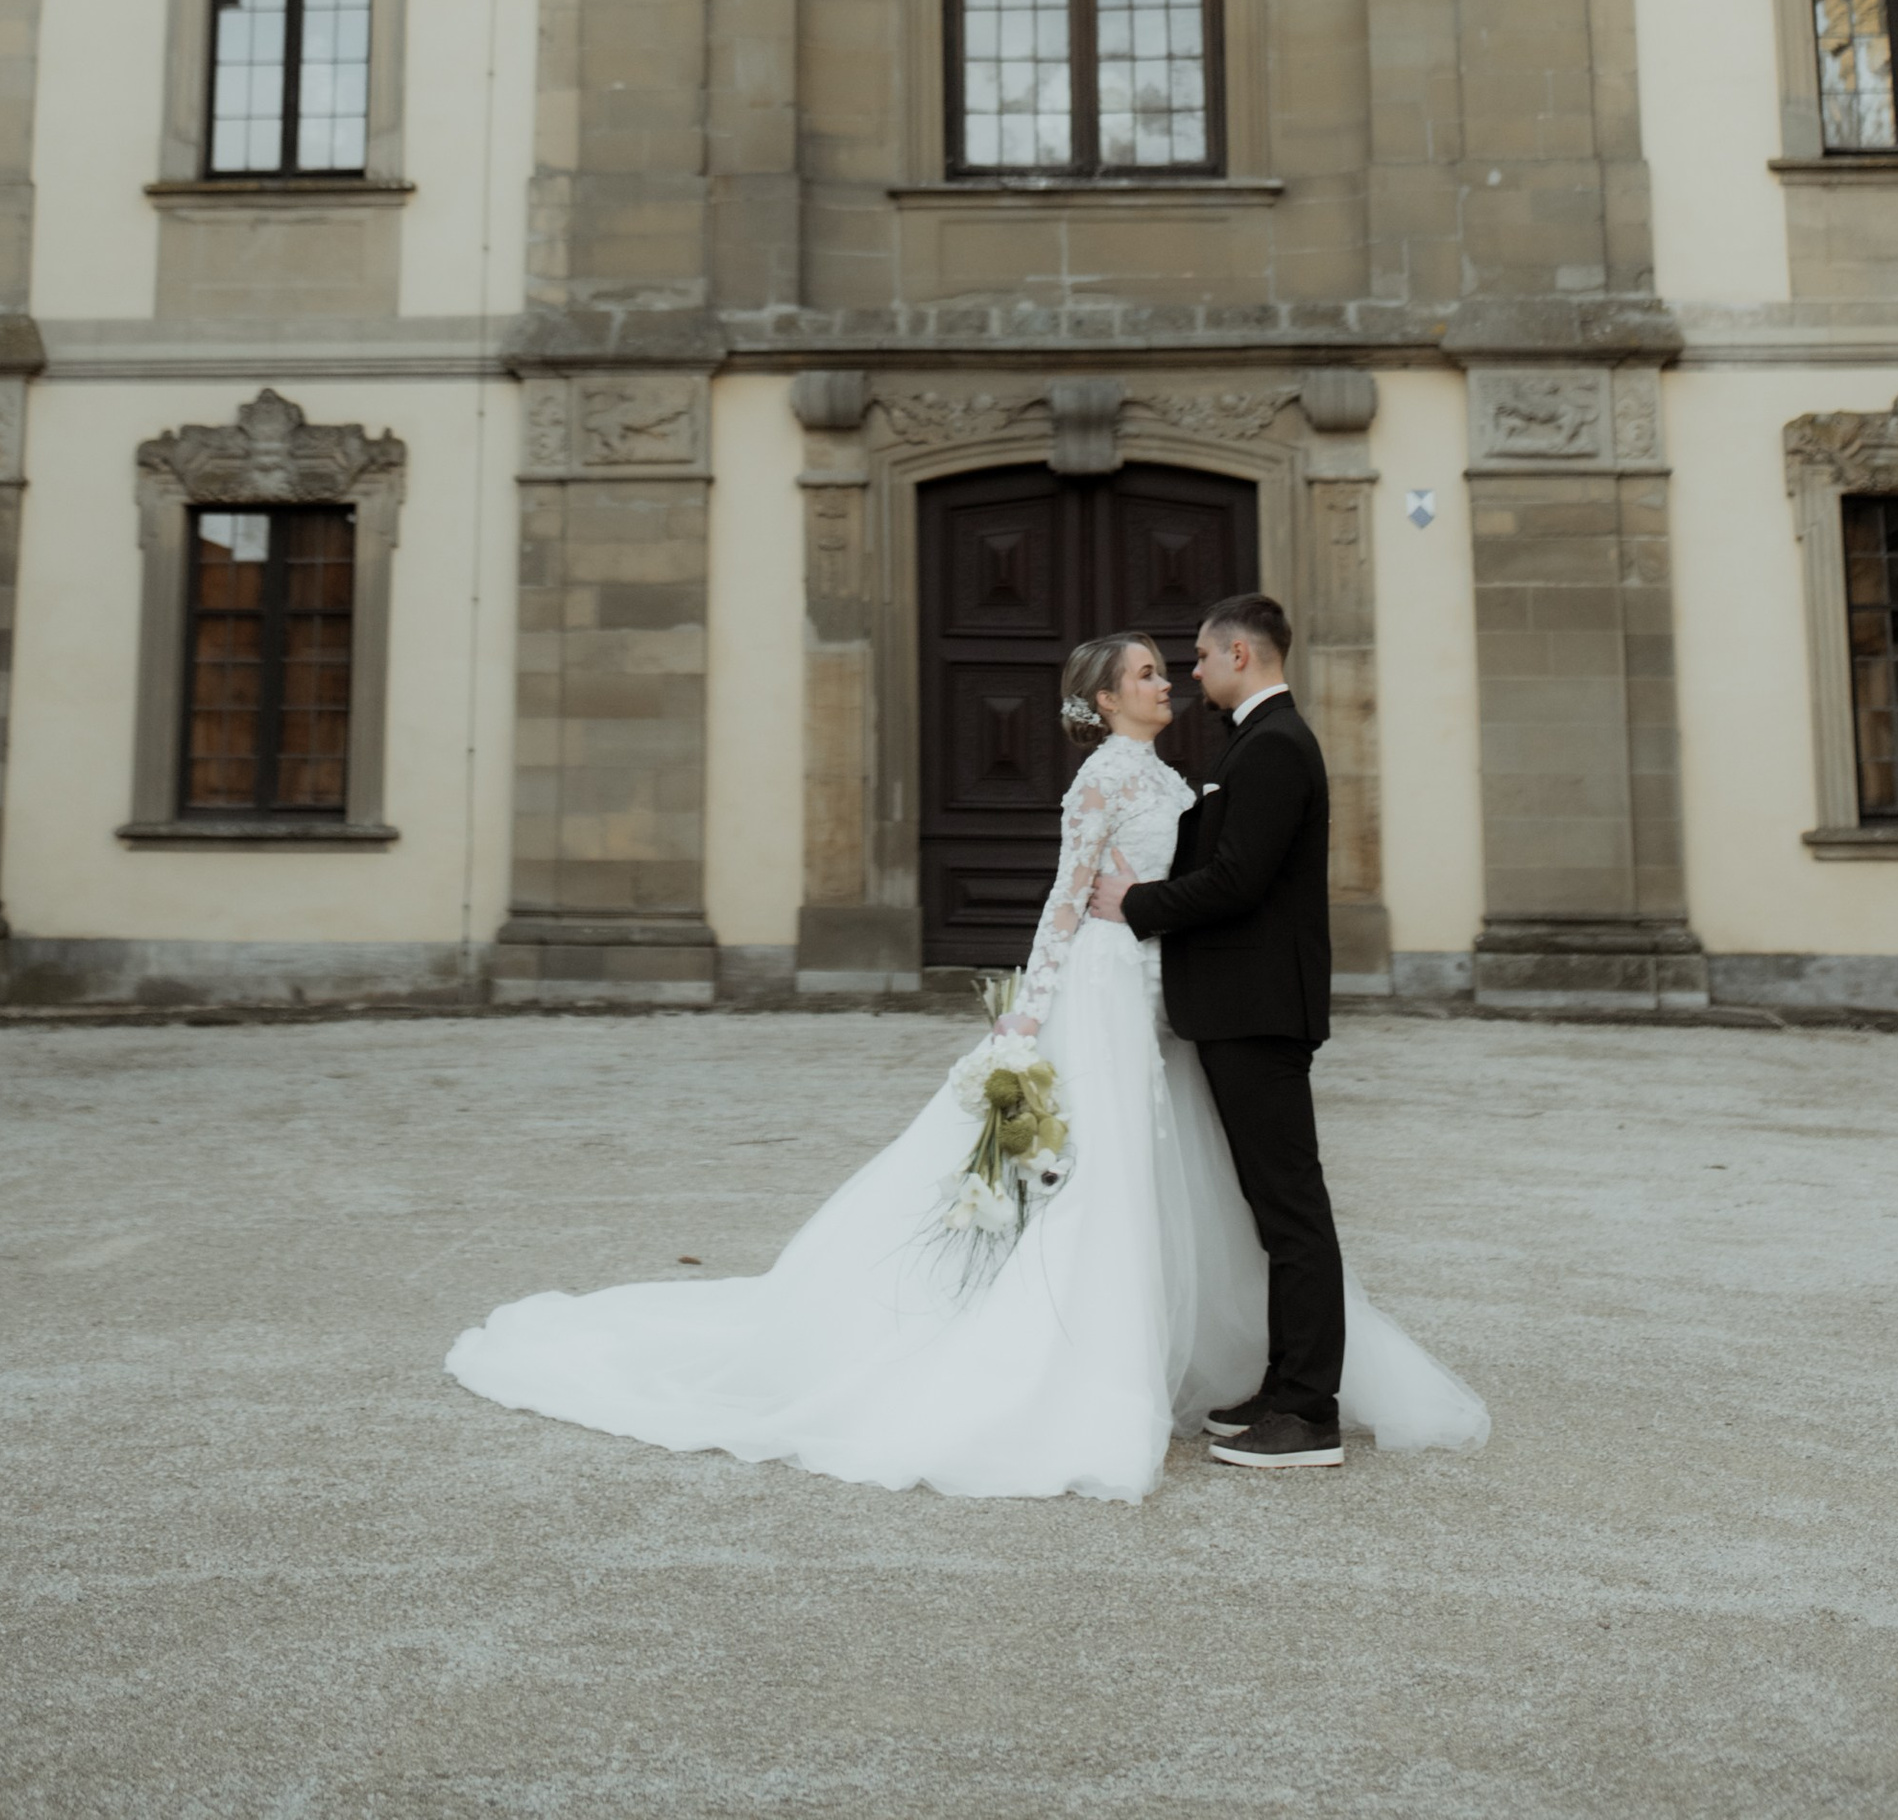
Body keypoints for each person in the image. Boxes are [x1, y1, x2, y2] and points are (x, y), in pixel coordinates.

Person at [445, 618, 1485, 1503]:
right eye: (1146, 675)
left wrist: (1153, 921)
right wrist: (1025, 1022)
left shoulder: (1174, 770)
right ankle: (1085, 1363)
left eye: (1174, 668)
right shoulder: (1102, 780)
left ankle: (1234, 1372)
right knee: (1100, 1173)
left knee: (1169, 1170)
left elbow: (1211, 877)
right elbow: (1065, 900)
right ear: (1102, 700)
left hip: (1160, 990)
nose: (1168, 680)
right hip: (1100, 987)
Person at [1091, 588, 1348, 1469]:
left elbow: (1239, 882)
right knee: (1273, 1212)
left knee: (1292, 1210)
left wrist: (1136, 905)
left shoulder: (1275, 746)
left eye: (1199, 658)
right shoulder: (1259, 742)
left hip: (1260, 1010)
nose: (1190, 674)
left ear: (1241, 655)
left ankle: (1310, 1413)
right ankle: (1286, 1384)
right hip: (1242, 1006)